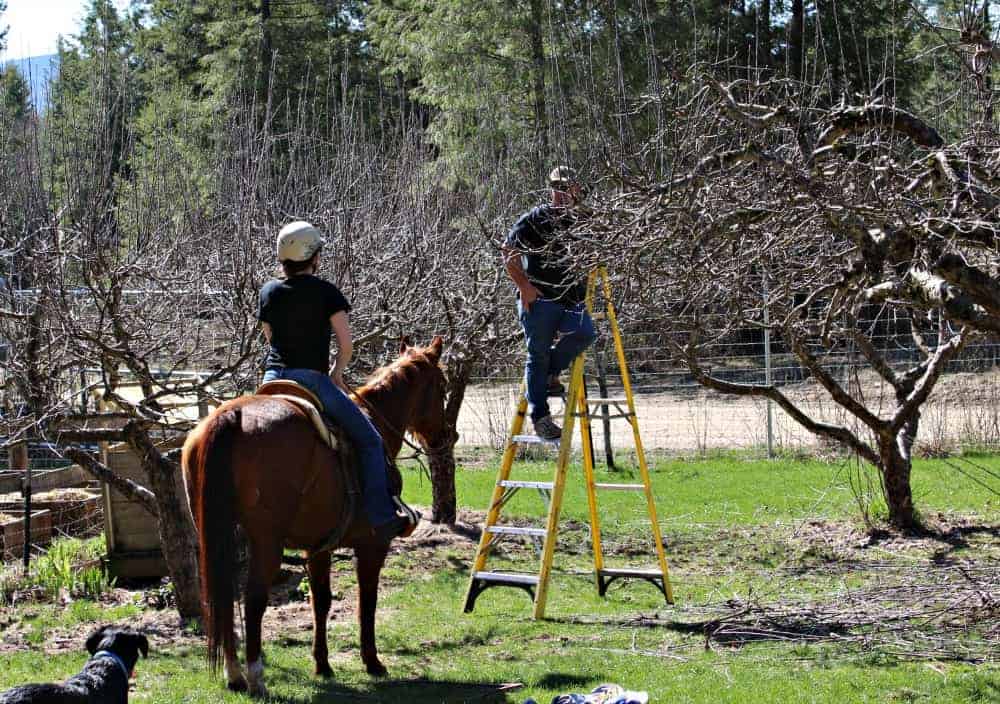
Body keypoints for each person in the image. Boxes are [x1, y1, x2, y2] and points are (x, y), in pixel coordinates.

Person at [257, 221, 419, 544]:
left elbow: (269, 336)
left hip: (271, 379)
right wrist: (337, 372)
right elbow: (347, 345)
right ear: (313, 257)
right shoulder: (327, 293)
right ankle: (382, 516)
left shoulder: (268, 291)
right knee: (371, 440)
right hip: (312, 381)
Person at [502, 166, 597, 441]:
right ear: (550, 188)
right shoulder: (536, 218)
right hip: (540, 299)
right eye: (558, 187)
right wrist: (524, 287)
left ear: (578, 190)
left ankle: (550, 374)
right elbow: (509, 251)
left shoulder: (584, 220)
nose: (563, 193)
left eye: (568, 188)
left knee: (585, 333)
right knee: (537, 354)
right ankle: (540, 417)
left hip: (571, 298)